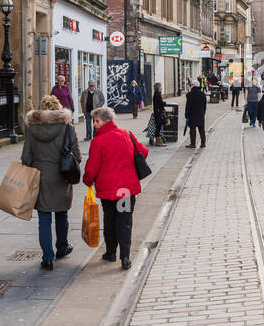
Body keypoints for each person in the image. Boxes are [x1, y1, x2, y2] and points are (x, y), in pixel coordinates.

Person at [82, 106, 149, 270]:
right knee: (125, 221)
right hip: (125, 190)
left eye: (97, 121)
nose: (95, 124)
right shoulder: (127, 134)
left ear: (106, 121)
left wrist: (87, 181)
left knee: (110, 220)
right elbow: (144, 152)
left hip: (109, 192)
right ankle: (125, 257)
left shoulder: (98, 142)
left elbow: (92, 168)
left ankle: (110, 252)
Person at [21, 95, 79, 269]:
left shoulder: (32, 129)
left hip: (40, 177)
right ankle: (62, 247)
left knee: (44, 218)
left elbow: (26, 158)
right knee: (62, 214)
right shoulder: (67, 128)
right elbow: (76, 155)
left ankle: (47, 258)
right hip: (62, 176)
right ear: (59, 108)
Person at [184, 79, 208, 148]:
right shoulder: (203, 94)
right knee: (201, 129)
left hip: (192, 114)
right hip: (200, 114)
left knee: (192, 129)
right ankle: (203, 143)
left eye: (191, 85)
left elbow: (188, 105)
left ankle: (193, 144)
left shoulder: (191, 94)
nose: (190, 86)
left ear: (193, 85)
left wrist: (186, 114)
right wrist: (203, 113)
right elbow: (204, 105)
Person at [151, 82, 166, 146]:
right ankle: (158, 142)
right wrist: (164, 103)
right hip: (158, 113)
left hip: (157, 113)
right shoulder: (157, 95)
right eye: (160, 87)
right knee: (158, 127)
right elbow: (160, 104)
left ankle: (159, 141)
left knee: (158, 127)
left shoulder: (156, 94)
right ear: (158, 88)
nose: (161, 88)